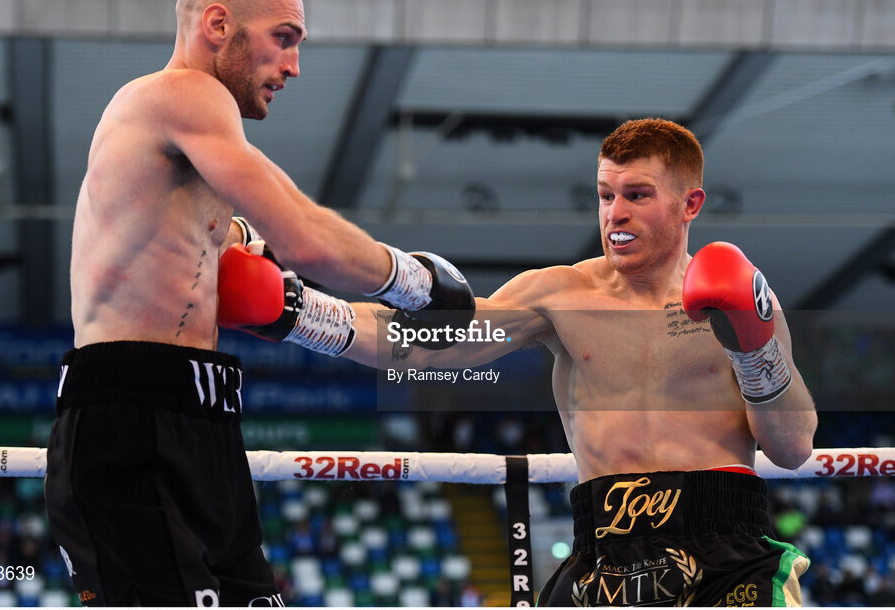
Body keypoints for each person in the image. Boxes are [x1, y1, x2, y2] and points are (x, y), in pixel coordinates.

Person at [223, 118, 818, 606]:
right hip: (605, 556)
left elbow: (792, 448)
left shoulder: (745, 297)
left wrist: (755, 349)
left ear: (691, 203)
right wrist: (298, 312)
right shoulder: (562, 295)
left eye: (637, 196)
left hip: (729, 552)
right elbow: (435, 343)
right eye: (606, 196)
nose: (615, 214)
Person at [43, 0, 473, 607]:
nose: (294, 66)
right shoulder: (181, 94)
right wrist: (412, 281)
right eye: (285, 38)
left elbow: (266, 264)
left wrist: (300, 306)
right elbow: (305, 235)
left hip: (199, 416)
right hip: (128, 416)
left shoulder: (189, 160)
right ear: (218, 23)